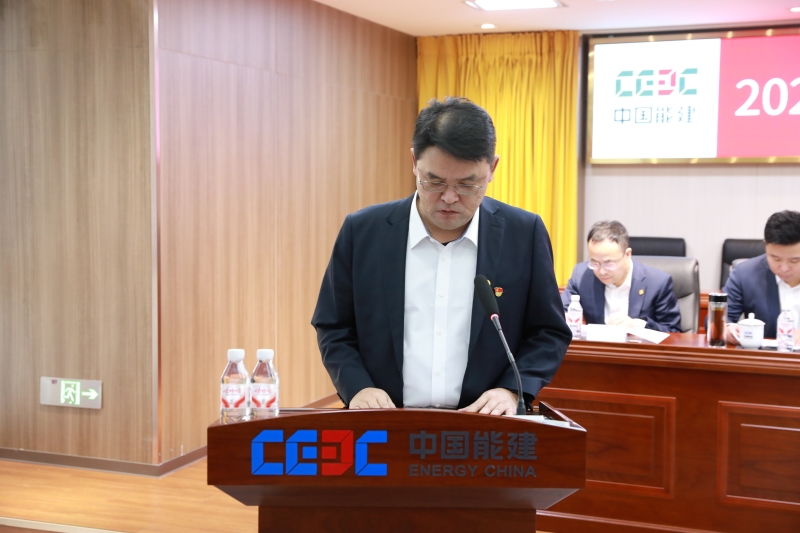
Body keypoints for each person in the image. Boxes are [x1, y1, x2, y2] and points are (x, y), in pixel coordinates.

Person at [312, 97, 571, 416]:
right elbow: (333, 325)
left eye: (467, 185)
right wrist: (358, 387)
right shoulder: (363, 231)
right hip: (386, 419)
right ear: (414, 161)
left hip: (485, 422)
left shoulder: (523, 233)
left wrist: (512, 390)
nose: (449, 198)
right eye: (434, 182)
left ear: (492, 169)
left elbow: (548, 331)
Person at [561, 221, 681, 333]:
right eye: (594, 262)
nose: (602, 271)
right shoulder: (581, 275)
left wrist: (637, 324)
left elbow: (673, 331)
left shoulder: (657, 283)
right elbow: (560, 311)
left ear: (628, 254)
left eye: (609, 263)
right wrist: (563, 318)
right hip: (597, 347)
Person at [724, 210, 800, 345]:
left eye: (794, 260)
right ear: (765, 244)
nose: (784, 268)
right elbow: (720, 318)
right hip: (764, 356)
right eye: (775, 258)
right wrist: (727, 328)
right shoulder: (745, 274)